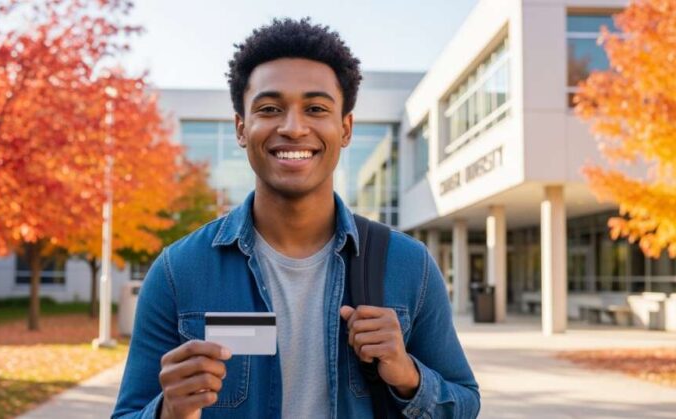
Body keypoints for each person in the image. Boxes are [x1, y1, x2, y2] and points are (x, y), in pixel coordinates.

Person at [112, 18, 480, 419]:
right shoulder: (178, 271)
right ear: (241, 128)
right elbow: (128, 413)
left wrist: (409, 377)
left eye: (316, 108)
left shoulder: (409, 265)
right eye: (270, 109)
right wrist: (168, 411)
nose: (293, 127)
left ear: (345, 129)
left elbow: (464, 403)